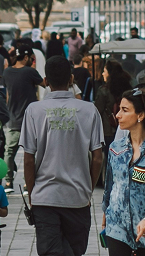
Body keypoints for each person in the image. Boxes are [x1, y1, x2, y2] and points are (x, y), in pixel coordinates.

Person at [22, 57, 105, 256]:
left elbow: (28, 159)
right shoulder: (89, 110)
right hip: (77, 197)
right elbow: (97, 158)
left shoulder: (34, 110)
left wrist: (33, 193)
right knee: (75, 252)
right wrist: (88, 189)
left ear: (45, 81)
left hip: (45, 197)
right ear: (71, 79)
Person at [102, 89, 145, 256]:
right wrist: (106, 216)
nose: (118, 115)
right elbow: (109, 187)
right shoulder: (115, 149)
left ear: (140, 115)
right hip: (117, 230)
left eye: (124, 110)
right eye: (119, 109)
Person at [2, 48, 44, 188]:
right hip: (30, 120)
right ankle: (28, 183)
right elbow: (45, 84)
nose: (32, 61)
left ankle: (8, 182)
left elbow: (8, 94)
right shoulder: (30, 72)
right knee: (31, 151)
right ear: (26, 58)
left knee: (9, 152)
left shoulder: (7, 72)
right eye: (32, 58)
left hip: (13, 118)